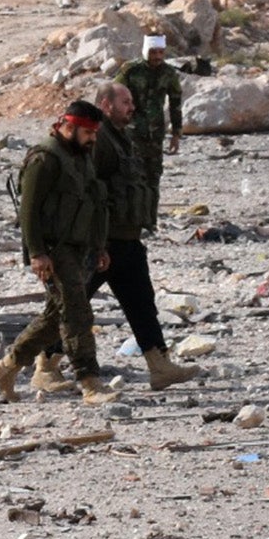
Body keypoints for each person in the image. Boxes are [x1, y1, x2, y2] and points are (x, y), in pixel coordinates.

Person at [0, 102, 111, 404]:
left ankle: (8, 367)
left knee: (55, 315)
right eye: (87, 132)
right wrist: (36, 253)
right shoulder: (44, 158)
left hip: (77, 248)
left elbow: (94, 204)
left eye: (94, 133)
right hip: (53, 251)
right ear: (68, 127)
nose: (92, 139)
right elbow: (28, 211)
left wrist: (98, 247)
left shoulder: (80, 157)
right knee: (77, 314)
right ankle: (89, 381)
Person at [92, 81, 199, 390]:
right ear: (106, 104)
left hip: (127, 239)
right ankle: (37, 362)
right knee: (69, 305)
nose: (132, 107)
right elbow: (90, 192)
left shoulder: (120, 139)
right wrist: (96, 242)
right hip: (105, 241)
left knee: (142, 303)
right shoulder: (99, 140)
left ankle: (159, 365)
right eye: (124, 102)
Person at [115, 34, 183, 195]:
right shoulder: (130, 70)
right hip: (131, 131)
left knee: (154, 175)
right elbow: (114, 96)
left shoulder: (169, 73)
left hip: (155, 132)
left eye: (161, 52)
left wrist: (176, 134)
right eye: (154, 52)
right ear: (146, 51)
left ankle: (150, 216)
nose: (157, 56)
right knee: (131, 174)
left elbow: (176, 104)